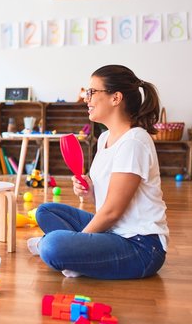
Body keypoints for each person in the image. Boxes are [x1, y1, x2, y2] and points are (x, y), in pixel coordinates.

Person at [28, 65, 169, 280]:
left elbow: (112, 212)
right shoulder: (104, 138)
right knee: (46, 211)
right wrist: (91, 190)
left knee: (52, 246)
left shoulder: (134, 142)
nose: (86, 98)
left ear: (116, 98)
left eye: (92, 92)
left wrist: (80, 241)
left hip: (140, 247)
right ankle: (80, 255)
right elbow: (109, 200)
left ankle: (72, 254)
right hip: (113, 232)